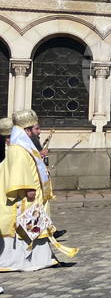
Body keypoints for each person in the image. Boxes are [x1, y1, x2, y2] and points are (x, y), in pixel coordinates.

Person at [0, 109, 77, 271]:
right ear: (26, 130)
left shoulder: (25, 146)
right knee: (30, 229)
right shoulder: (18, 148)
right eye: (36, 128)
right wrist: (28, 189)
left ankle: (43, 259)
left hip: (33, 198)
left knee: (37, 228)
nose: (39, 131)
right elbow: (19, 170)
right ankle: (29, 261)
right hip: (26, 199)